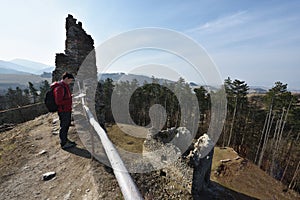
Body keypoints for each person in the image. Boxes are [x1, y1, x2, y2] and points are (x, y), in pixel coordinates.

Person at [51, 72, 76, 149]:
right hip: (63, 110)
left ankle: (65, 140)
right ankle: (64, 143)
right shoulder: (60, 87)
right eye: (70, 80)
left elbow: (65, 97)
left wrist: (72, 97)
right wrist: (71, 100)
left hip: (66, 109)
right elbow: (59, 101)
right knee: (64, 126)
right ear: (66, 78)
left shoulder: (64, 86)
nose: (70, 82)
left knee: (66, 125)